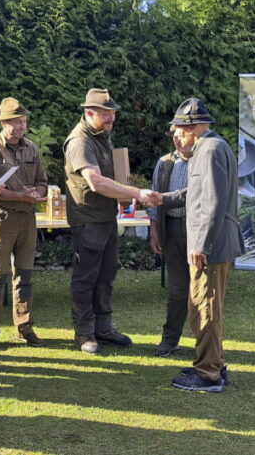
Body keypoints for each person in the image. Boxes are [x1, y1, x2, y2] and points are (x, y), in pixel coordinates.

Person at [62, 88, 161, 354]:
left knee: (106, 275)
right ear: (89, 113)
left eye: (113, 114)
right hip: (87, 221)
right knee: (86, 278)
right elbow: (95, 181)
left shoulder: (101, 136)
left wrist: (122, 196)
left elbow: (110, 178)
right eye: (106, 115)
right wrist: (136, 193)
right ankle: (84, 334)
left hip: (105, 219)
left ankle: (103, 328)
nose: (111, 120)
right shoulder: (80, 141)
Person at [162, 98, 243, 393]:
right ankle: (214, 364)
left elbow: (214, 202)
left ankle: (207, 374)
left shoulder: (209, 150)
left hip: (210, 246)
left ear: (192, 127)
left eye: (178, 131)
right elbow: (198, 191)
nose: (175, 136)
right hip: (212, 244)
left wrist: (202, 245)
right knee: (207, 307)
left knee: (204, 308)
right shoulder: (210, 148)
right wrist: (163, 198)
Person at [0, 97, 48, 351]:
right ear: (3, 123)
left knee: (26, 275)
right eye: (16, 122)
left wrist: (39, 193)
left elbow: (43, 180)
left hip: (28, 218)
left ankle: (25, 327)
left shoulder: (31, 148)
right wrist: (21, 195)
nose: (21, 126)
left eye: (24, 121)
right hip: (1, 218)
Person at [148, 126, 193, 357]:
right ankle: (170, 339)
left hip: (198, 231)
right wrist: (154, 231)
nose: (177, 141)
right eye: (173, 137)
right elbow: (155, 196)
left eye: (180, 136)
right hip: (172, 230)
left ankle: (207, 345)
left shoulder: (205, 162)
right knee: (177, 291)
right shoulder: (164, 162)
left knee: (203, 294)